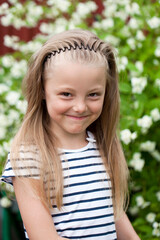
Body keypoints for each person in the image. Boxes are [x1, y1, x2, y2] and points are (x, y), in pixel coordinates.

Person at [1, 29, 140, 240]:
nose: (80, 107)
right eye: (66, 94)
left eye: (93, 94)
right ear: (42, 90)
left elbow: (114, 216)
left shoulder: (102, 147)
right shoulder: (29, 158)